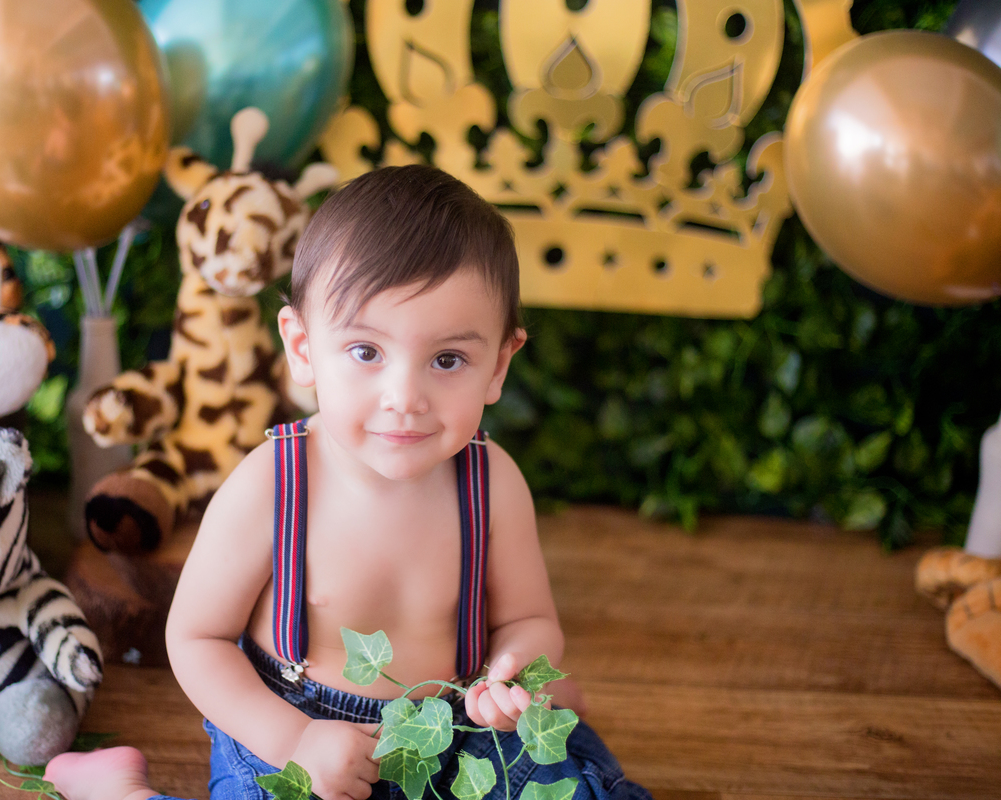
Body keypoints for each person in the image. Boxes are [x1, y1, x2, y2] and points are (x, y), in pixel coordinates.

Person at [46, 165, 651, 800]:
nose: (405, 398)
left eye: (448, 360)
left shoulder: (490, 481)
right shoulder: (274, 485)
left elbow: (530, 619)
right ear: (303, 347)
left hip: (455, 734)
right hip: (301, 736)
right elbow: (196, 639)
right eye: (366, 351)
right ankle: (119, 790)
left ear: (498, 364)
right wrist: (294, 742)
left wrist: (511, 674)